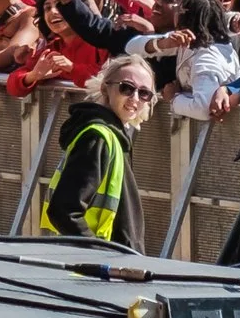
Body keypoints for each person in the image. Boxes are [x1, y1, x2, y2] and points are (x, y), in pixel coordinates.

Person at [41, 53, 156, 246]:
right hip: (98, 268)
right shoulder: (98, 137)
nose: (135, 98)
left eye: (144, 93)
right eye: (126, 88)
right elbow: (63, 210)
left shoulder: (113, 136)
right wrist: (98, 252)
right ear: (105, 88)